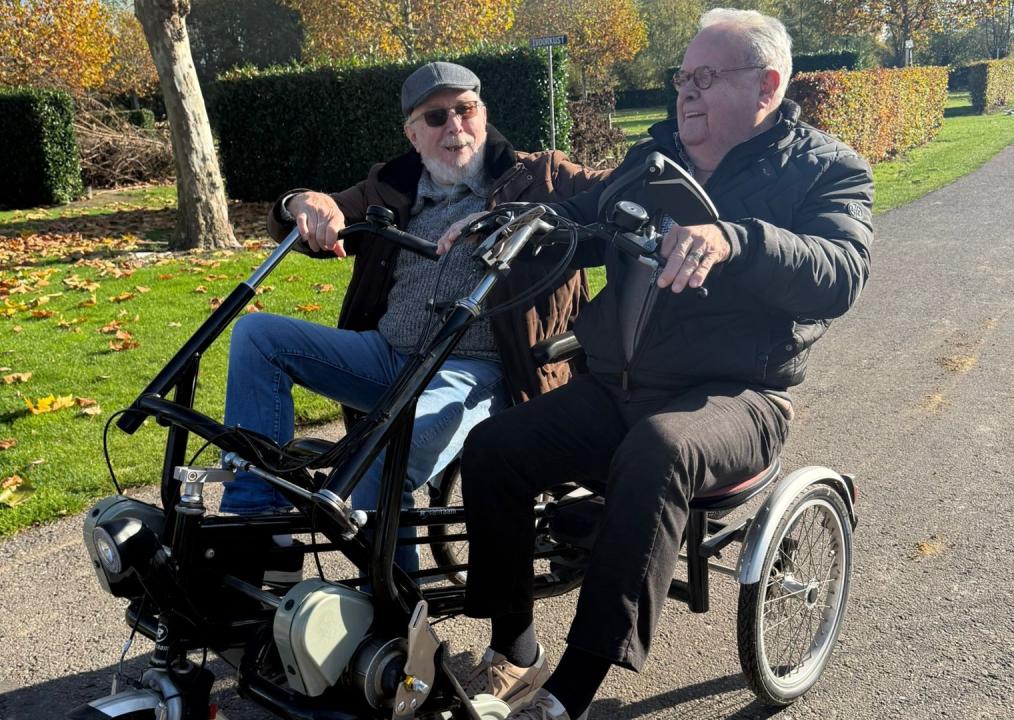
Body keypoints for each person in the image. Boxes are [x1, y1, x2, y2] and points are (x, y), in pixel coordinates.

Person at [453, 9, 874, 719]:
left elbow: (842, 273)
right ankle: (516, 647)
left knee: (658, 450)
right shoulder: (653, 159)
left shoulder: (826, 168)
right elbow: (587, 219)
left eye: (706, 77)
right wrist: (523, 221)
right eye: (683, 78)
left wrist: (738, 240)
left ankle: (571, 691)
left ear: (768, 85)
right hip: (618, 388)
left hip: (738, 399)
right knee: (494, 446)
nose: (686, 92)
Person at [219, 62, 607, 573]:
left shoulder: (541, 176)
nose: (454, 126)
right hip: (386, 356)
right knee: (257, 335)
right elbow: (321, 212)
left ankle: (390, 603)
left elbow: (621, 190)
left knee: (383, 450)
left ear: (484, 114)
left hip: (481, 370)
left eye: (465, 110)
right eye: (436, 117)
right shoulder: (392, 184)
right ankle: (258, 525)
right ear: (413, 134)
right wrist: (303, 203)